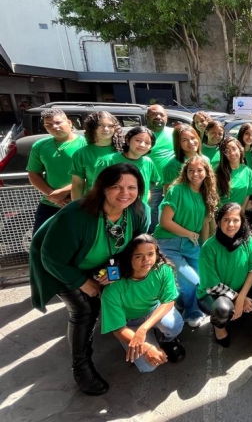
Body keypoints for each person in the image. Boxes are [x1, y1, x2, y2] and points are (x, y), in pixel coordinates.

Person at [29, 163, 150, 395]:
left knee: (119, 289)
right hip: (62, 264)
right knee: (85, 308)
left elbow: (130, 248)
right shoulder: (76, 215)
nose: (125, 193)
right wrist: (84, 283)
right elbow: (52, 258)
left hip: (101, 262)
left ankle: (136, 334)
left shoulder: (139, 210)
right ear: (102, 188)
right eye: (117, 187)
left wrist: (112, 271)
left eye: (132, 187)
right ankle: (81, 366)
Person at [101, 234, 185, 372]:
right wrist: (147, 348)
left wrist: (144, 328)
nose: (146, 260)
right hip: (130, 323)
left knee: (174, 325)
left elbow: (168, 301)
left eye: (151, 254)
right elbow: (118, 328)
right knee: (148, 366)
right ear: (129, 258)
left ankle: (167, 341)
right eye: (138, 256)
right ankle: (151, 343)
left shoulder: (163, 269)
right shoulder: (113, 289)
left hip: (153, 311)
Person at [153, 155, 218, 328]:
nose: (195, 174)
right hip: (168, 243)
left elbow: (205, 223)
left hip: (192, 244)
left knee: (202, 277)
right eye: (191, 170)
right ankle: (192, 312)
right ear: (185, 172)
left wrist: (203, 247)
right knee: (191, 281)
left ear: (206, 172)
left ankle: (182, 302)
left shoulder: (207, 194)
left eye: (199, 170)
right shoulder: (176, 190)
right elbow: (165, 221)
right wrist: (189, 233)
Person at [198, 203, 252, 347]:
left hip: (240, 288)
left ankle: (237, 311)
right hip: (212, 293)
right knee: (223, 310)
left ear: (242, 222)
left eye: (236, 220)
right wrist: (237, 298)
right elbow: (212, 285)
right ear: (218, 222)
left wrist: (242, 297)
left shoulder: (247, 239)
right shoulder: (209, 247)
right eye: (226, 220)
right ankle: (219, 328)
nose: (231, 224)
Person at [27, 108, 87, 233]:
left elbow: (95, 174)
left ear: (69, 123)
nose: (54, 127)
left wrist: (63, 192)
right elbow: (33, 174)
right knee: (41, 242)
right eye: (48, 125)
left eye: (58, 122)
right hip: (50, 204)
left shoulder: (87, 144)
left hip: (82, 203)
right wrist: (52, 195)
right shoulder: (40, 146)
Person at [94, 126, 161, 203]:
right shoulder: (108, 161)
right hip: (114, 208)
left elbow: (153, 182)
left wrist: (145, 197)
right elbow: (97, 188)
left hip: (139, 210)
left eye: (147, 143)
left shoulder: (148, 162)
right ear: (128, 140)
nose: (142, 145)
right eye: (138, 140)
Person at [70, 111, 124, 199]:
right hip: (95, 202)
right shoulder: (81, 154)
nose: (106, 129)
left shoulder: (125, 150)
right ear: (92, 127)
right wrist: (76, 209)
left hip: (124, 201)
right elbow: (77, 185)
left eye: (110, 126)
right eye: (100, 125)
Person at [145, 105, 175, 232]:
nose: (158, 117)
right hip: (152, 185)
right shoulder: (143, 134)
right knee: (152, 214)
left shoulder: (174, 133)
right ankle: (152, 242)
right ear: (146, 117)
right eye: (154, 114)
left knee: (173, 213)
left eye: (161, 115)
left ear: (166, 117)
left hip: (174, 184)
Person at [162, 124, 206, 192]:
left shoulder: (206, 159)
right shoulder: (172, 165)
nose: (191, 142)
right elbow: (169, 194)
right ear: (178, 143)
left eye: (192, 138)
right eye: (184, 140)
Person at [215, 136, 252, 209]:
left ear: (240, 149)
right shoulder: (217, 171)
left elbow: (247, 194)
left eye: (234, 148)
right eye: (227, 151)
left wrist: (242, 210)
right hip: (222, 215)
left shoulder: (247, 171)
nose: (232, 153)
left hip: (238, 215)